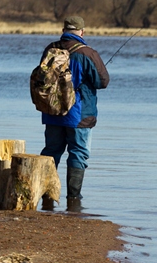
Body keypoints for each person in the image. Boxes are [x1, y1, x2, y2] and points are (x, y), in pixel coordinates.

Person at [40, 16, 109, 208]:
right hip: (79, 113)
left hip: (52, 112)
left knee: (51, 152)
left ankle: (46, 195)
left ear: (64, 29)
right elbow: (103, 82)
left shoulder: (50, 49)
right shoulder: (88, 53)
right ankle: (74, 199)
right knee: (78, 153)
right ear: (82, 32)